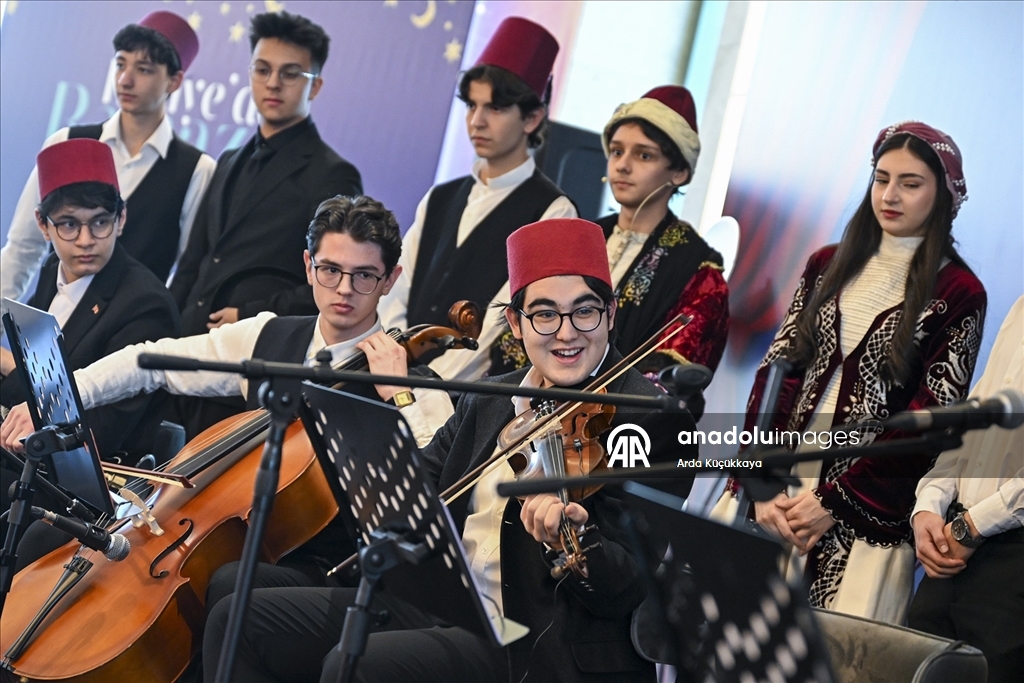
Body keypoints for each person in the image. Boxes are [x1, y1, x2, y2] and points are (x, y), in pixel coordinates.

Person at [200, 217, 696, 683]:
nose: (566, 333)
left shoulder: (650, 417)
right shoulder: (490, 397)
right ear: (517, 325)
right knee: (235, 608)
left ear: (609, 314)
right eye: (544, 314)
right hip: (447, 599)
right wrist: (364, 437)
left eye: (584, 311)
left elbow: (627, 587)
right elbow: (419, 482)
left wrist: (573, 542)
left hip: (528, 635)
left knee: (358, 664)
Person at [1, 195, 453, 582]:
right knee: (48, 533)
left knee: (226, 583)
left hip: (319, 560)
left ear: (390, 280)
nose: (344, 290)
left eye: (365, 276)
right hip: (226, 528)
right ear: (308, 265)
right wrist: (55, 400)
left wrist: (399, 393)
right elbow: (148, 363)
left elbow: (438, 480)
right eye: (330, 270)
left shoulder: (412, 379)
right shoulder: (268, 337)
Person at [723, 121, 987, 624]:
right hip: (776, 495)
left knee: (830, 663)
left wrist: (833, 502)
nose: (890, 195)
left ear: (944, 196)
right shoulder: (827, 263)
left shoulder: (958, 291)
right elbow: (778, 373)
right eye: (881, 178)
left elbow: (928, 418)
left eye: (911, 184)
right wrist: (762, 487)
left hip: (861, 516)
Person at [168, 10, 363, 437]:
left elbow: (332, 283)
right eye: (263, 69)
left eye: (290, 73)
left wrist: (252, 315)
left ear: (316, 84)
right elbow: (195, 261)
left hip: (254, 369)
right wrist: (170, 331)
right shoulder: (229, 160)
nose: (273, 83)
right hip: (186, 361)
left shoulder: (333, 174)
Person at [0, 138, 182, 565]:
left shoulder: (145, 302)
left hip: (89, 486)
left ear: (121, 219)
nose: (85, 240)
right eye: (68, 225)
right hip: (29, 459)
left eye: (100, 223)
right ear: (43, 225)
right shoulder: (52, 269)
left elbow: (102, 427)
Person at [380, 16, 576, 383]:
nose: (477, 122)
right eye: (472, 105)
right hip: (398, 378)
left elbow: (504, 324)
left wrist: (431, 387)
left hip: (461, 399)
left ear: (532, 118)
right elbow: (397, 286)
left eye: (495, 109)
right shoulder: (441, 196)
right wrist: (396, 359)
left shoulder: (552, 210)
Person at [1, 11, 215, 295]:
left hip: (133, 330)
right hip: (50, 324)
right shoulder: (66, 142)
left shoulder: (196, 170)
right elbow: (24, 245)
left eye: (144, 69)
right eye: (120, 64)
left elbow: (188, 273)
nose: (125, 80)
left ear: (174, 81)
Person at [596, 85, 729, 418]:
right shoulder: (581, 235)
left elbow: (666, 384)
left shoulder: (699, 270)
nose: (622, 165)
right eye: (616, 151)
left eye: (644, 155)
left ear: (679, 172)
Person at [908, 294, 1023, 683]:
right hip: (955, 543)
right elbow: (975, 418)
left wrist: (971, 526)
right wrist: (929, 503)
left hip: (1009, 561)